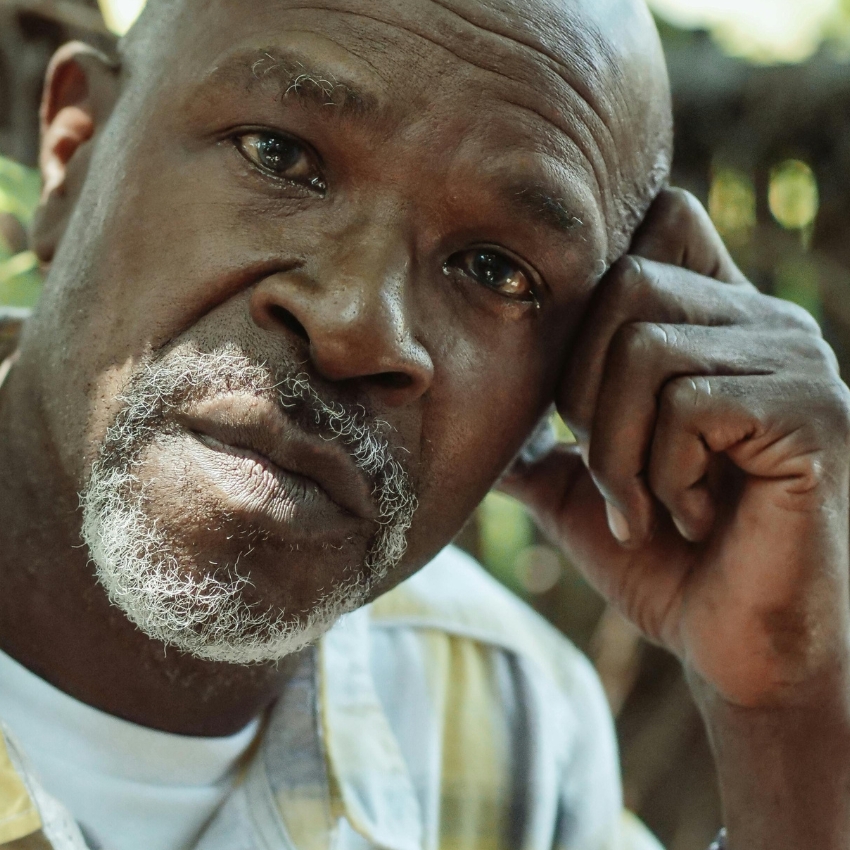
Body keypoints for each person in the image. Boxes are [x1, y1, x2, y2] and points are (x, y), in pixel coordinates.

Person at [0, 0, 848, 847]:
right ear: (73, 152)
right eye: (279, 153)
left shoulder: (515, 725)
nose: (356, 325)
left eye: (496, 270)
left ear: (569, 379)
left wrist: (786, 716)